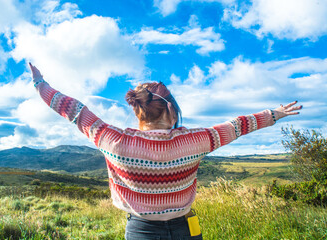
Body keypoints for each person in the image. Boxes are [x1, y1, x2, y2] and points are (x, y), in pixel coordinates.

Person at [29, 63, 302, 240]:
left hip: (140, 231)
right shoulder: (195, 140)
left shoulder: (113, 140)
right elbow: (237, 126)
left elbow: (73, 110)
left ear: (137, 110)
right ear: (171, 109)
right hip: (186, 229)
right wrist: (273, 114)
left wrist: (41, 85)